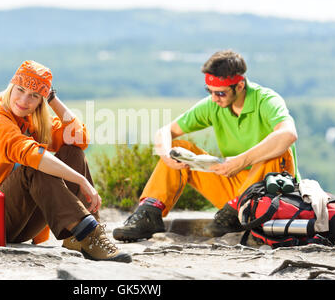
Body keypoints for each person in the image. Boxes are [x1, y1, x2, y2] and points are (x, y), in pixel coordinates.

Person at [0, 60, 131, 263]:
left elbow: (79, 138)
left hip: (22, 223)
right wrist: (81, 180)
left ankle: (83, 239)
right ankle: (88, 233)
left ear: (40, 101)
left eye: (34, 96)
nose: (24, 100)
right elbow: (32, 155)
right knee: (35, 165)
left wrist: (53, 99)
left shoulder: (33, 119)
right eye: (20, 90)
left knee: (72, 152)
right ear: (10, 88)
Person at [113, 50, 300, 241]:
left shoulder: (266, 100)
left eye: (220, 93)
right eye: (209, 91)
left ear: (240, 85)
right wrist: (166, 156)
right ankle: (149, 214)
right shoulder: (214, 105)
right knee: (177, 147)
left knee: (279, 150)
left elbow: (288, 134)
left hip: (269, 192)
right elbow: (165, 131)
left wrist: (241, 161)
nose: (214, 98)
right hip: (233, 193)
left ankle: (239, 209)